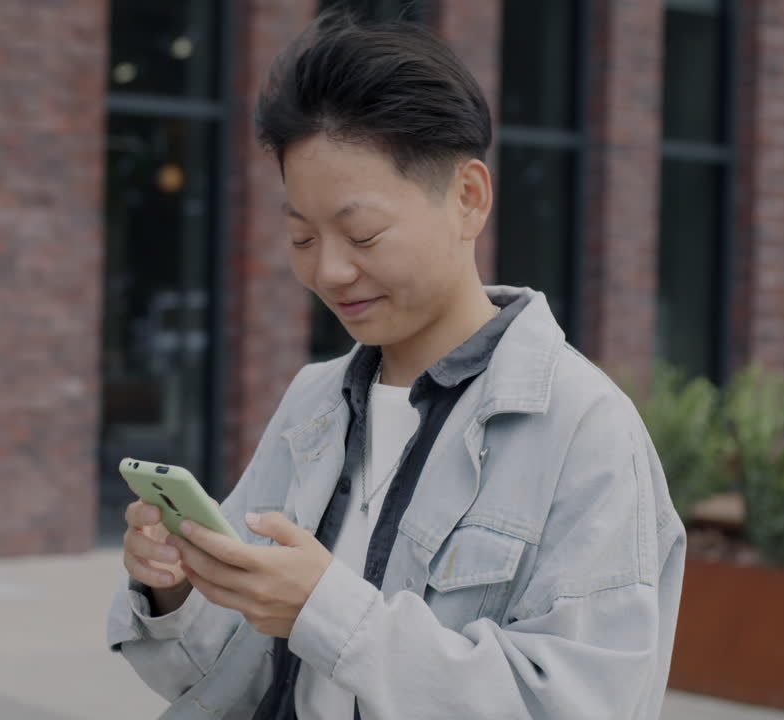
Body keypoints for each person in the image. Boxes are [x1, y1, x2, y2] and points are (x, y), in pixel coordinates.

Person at [106, 12, 685, 720]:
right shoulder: (315, 399)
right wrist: (177, 587)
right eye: (301, 236)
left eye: (362, 233)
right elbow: (215, 673)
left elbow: (583, 704)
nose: (330, 269)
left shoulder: (584, 428)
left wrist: (331, 612)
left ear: (468, 198)